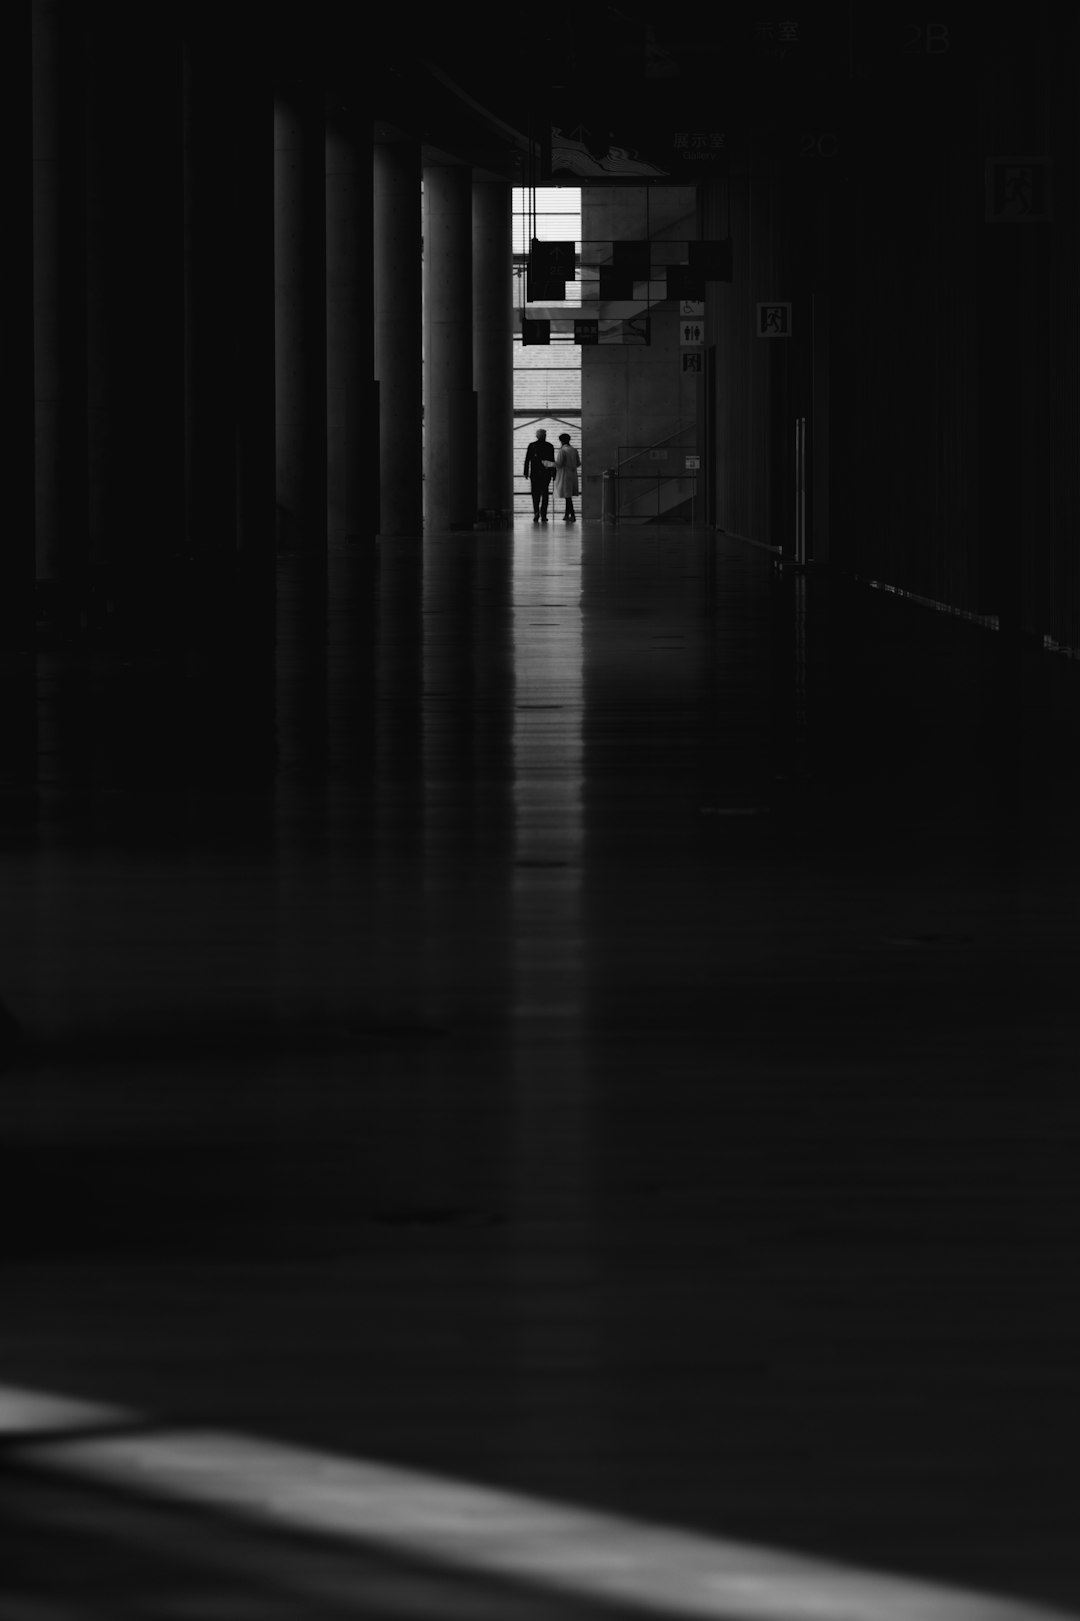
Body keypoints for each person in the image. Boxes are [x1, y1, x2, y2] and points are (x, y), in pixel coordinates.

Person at [523, 429, 556, 522]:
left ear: (537, 436)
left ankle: (536, 512)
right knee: (545, 493)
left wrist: (526, 472)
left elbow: (527, 460)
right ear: (545, 436)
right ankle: (543, 514)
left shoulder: (532, 445)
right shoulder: (549, 446)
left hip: (534, 473)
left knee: (535, 494)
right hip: (546, 473)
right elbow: (552, 461)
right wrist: (554, 473)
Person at [554, 433, 580, 522]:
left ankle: (572, 515)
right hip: (573, 474)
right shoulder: (574, 450)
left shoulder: (562, 451)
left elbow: (559, 464)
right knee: (568, 496)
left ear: (561, 441)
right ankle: (567, 514)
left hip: (564, 475)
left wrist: (548, 463)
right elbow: (578, 463)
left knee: (567, 496)